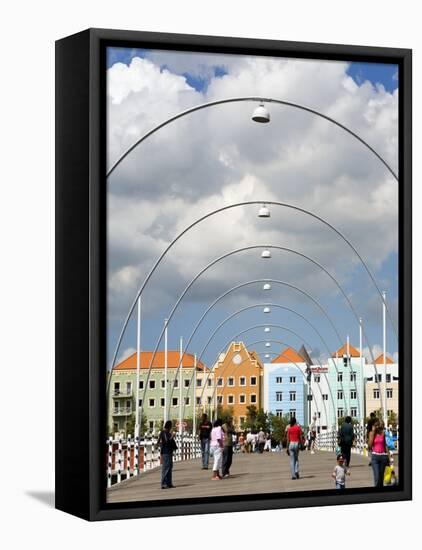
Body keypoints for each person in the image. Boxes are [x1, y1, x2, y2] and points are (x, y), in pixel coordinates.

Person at [368, 419, 390, 487]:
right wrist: (373, 432)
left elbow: (385, 445)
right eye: (377, 425)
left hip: (383, 457)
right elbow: (369, 446)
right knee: (377, 477)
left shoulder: (383, 433)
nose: (379, 427)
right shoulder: (371, 433)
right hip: (375, 457)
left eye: (381, 426)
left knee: (381, 478)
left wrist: (389, 457)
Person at [157, 420, 177, 489]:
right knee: (166, 468)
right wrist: (172, 436)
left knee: (170, 467)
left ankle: (169, 483)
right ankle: (164, 483)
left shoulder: (166, 432)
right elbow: (166, 441)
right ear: (169, 426)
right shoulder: (164, 432)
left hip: (169, 451)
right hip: (166, 452)